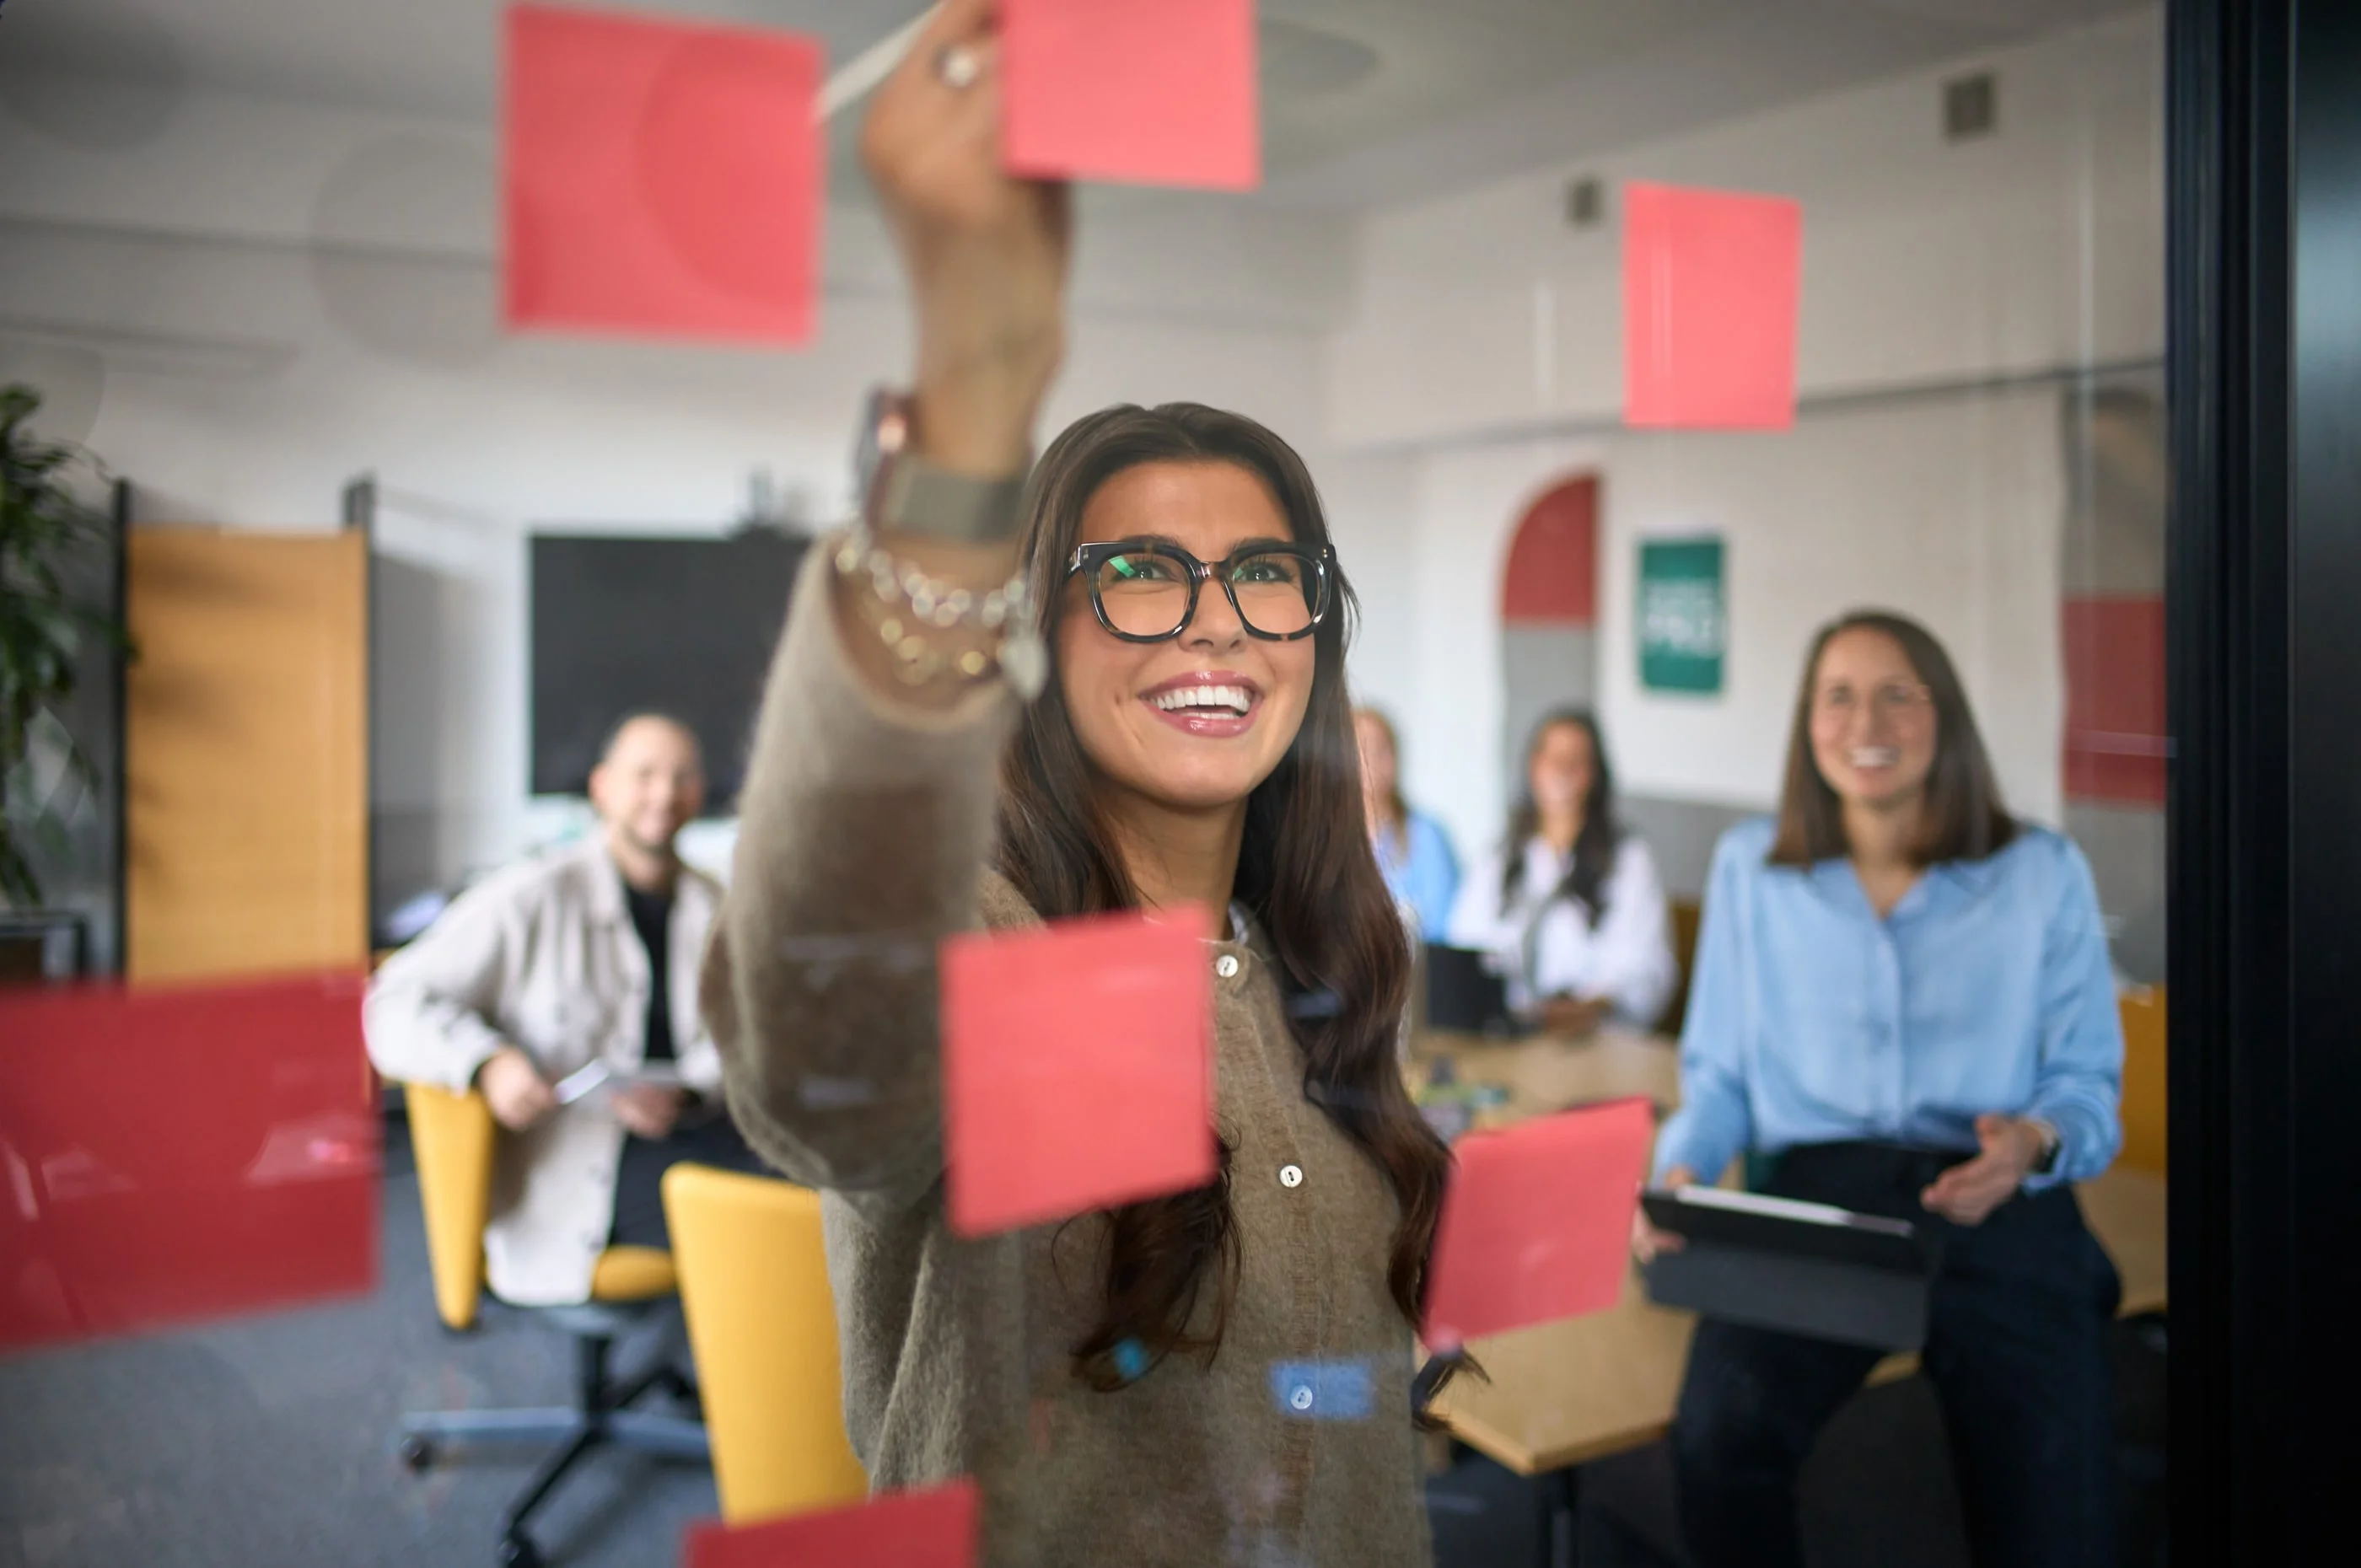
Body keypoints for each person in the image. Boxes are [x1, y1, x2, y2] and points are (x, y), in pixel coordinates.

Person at [700, 5, 1453, 1561]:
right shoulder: (985, 941)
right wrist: (974, 415)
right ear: (1042, 624)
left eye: (1264, 576)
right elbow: (816, 1058)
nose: (1214, 627)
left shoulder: (1322, 951)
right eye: (1139, 577)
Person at [1639, 610, 2125, 1568]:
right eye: (1839, 695)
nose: (1869, 719)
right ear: (1806, 723)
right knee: (1718, 1436)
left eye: (1899, 691)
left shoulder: (2040, 872)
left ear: (1944, 714)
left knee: (2055, 1511)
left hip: (1997, 1201)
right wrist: (1684, 1165)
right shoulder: (1752, 870)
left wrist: (2031, 1144)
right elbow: (1721, 1077)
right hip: (1823, 1208)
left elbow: (2085, 1089)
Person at [365, 712, 762, 1306]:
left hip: (690, 1125)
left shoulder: (716, 904)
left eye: (681, 777)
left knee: (828, 1177)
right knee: (773, 1213)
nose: (663, 794)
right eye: (644, 774)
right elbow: (390, 1002)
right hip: (580, 1157)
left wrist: (681, 1093)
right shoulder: (531, 893)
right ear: (602, 787)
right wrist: (488, 1063)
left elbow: (742, 1042)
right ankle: (741, 1390)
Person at [1445, 708, 1675, 1034]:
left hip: (1594, 1039)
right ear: (1533, 767)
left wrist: (1585, 1008)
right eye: (1551, 757)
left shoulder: (1628, 860)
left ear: (1595, 775)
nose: (1562, 770)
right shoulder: (1500, 857)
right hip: (1508, 1034)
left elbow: (1645, 971)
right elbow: (1465, 944)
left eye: (1576, 761)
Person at [1354, 706, 1460, 941]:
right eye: (1359, 748)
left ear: (1395, 758)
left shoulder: (1427, 837)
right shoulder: (1322, 840)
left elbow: (1444, 931)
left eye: (1379, 749)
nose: (1370, 760)